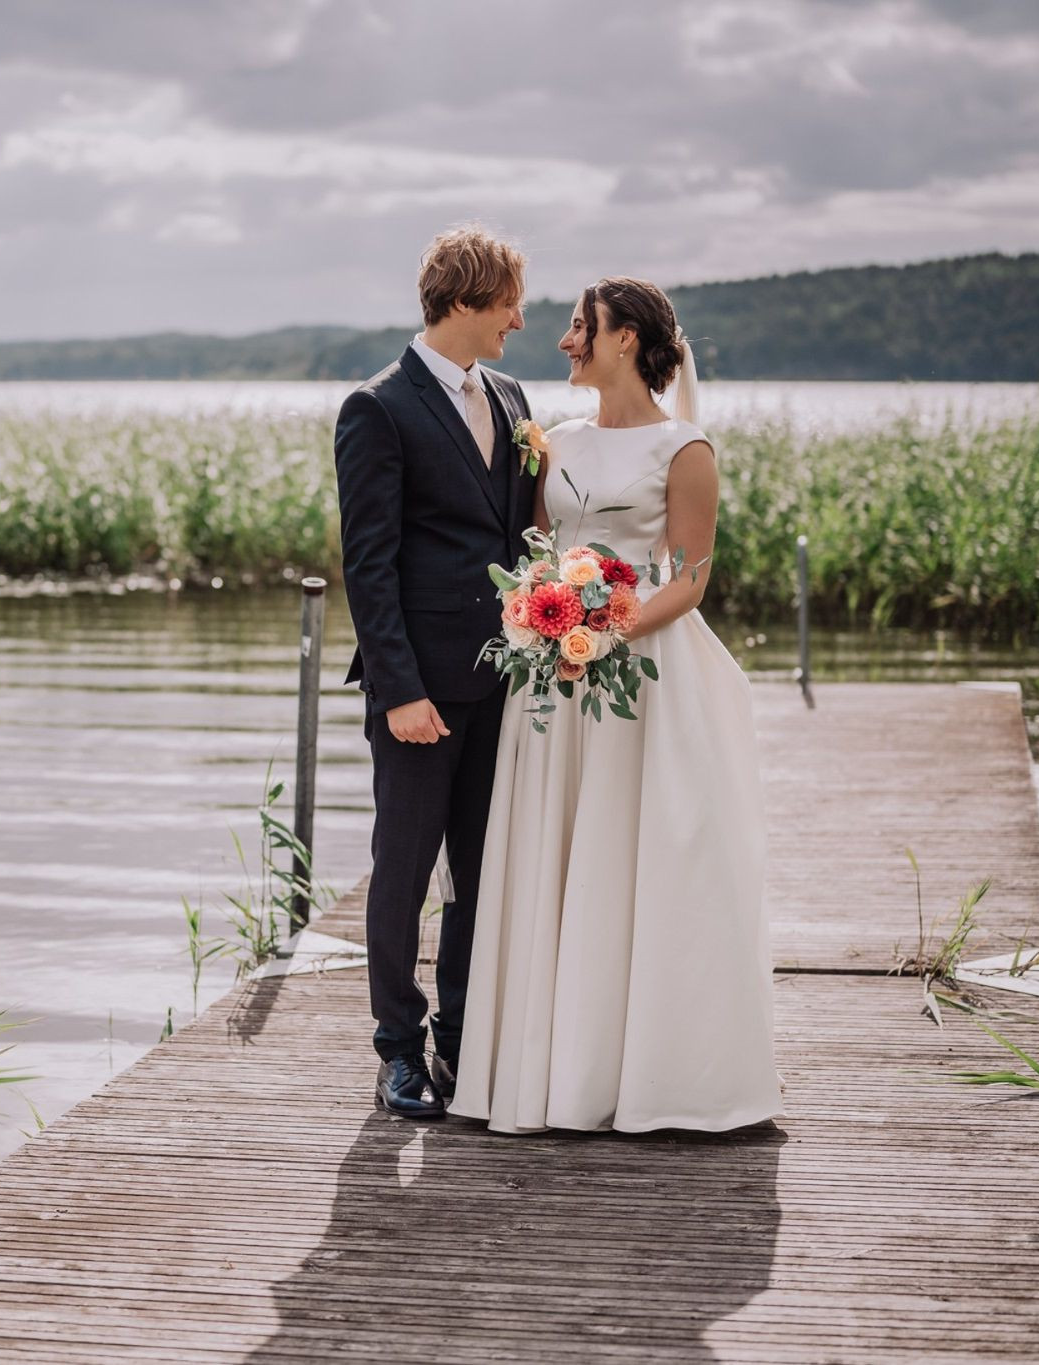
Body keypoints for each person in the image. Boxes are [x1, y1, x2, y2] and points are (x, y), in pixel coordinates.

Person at [449, 277, 783, 1134]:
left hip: (638, 686)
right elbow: (535, 551)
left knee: (636, 857)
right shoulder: (553, 443)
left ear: (625, 338)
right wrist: (538, 617)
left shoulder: (685, 449)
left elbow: (693, 577)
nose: (564, 341)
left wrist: (609, 631)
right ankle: (548, 1075)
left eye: (577, 326)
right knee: (555, 855)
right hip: (550, 688)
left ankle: (652, 1075)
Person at [333, 226, 538, 1119]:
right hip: (420, 691)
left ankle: (460, 1038)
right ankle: (397, 1051)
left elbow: (516, 538)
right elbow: (368, 565)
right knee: (404, 873)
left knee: (482, 874)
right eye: (507, 303)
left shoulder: (510, 393)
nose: (519, 321)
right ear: (463, 300)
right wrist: (400, 689)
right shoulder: (377, 407)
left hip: (506, 682)